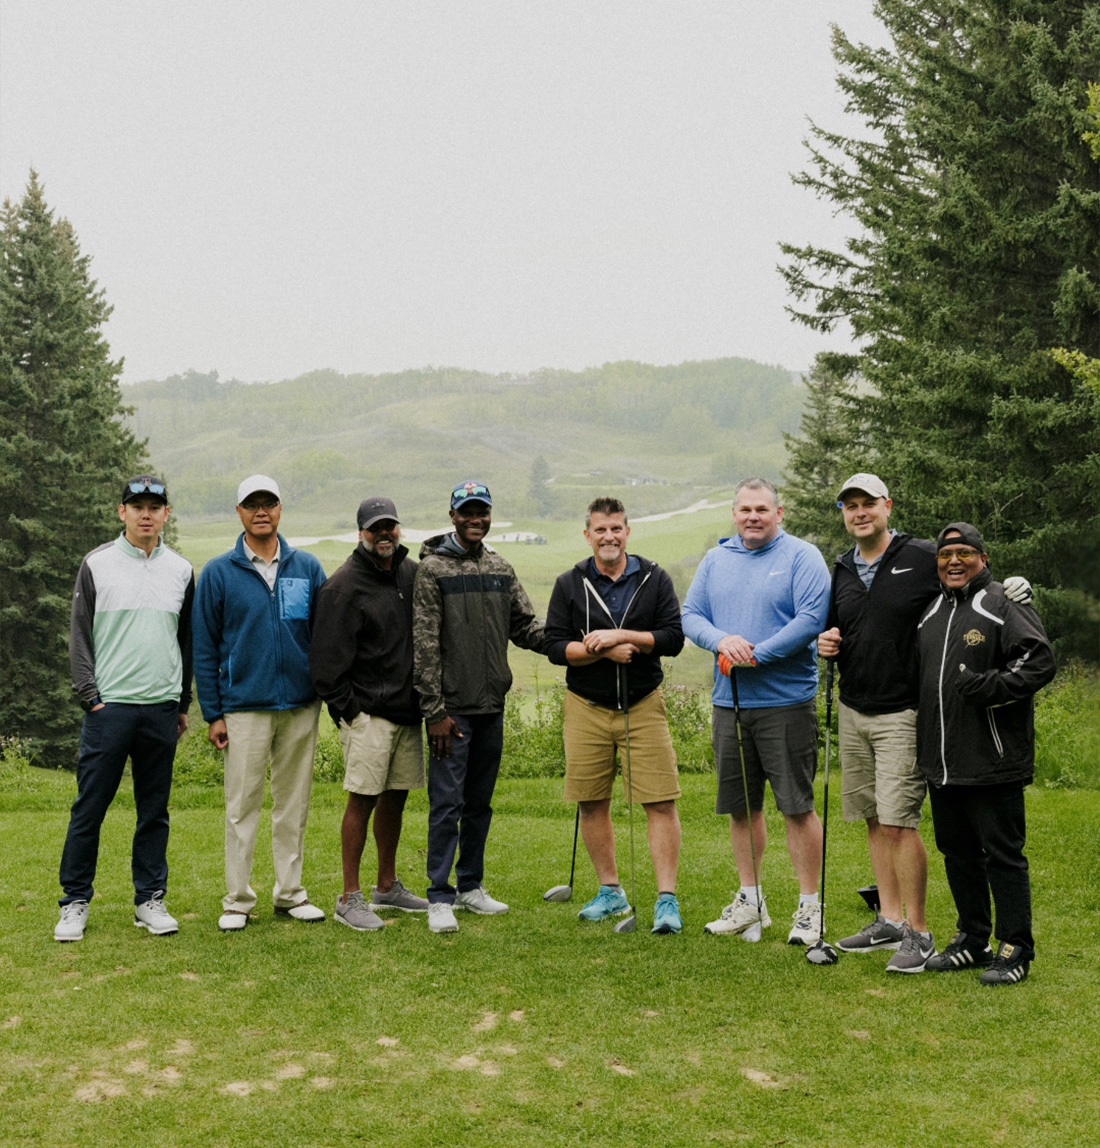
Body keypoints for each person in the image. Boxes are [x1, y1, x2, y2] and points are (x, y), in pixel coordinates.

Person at [819, 473, 1034, 973]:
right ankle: (890, 920)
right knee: (875, 818)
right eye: (850, 505)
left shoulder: (920, 556)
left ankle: (918, 932)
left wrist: (1015, 587)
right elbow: (841, 626)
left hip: (904, 710)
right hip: (854, 707)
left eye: (868, 503)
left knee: (899, 822)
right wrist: (827, 642)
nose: (859, 512)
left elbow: (970, 576)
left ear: (887, 506)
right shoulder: (842, 568)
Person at [682, 477, 830, 944]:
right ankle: (751, 901)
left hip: (786, 702)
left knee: (797, 807)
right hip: (729, 702)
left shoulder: (802, 556)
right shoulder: (716, 559)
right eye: (745, 509)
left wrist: (757, 655)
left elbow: (811, 620)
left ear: (778, 513)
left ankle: (810, 908)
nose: (753, 517)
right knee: (742, 808)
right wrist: (721, 640)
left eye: (762, 509)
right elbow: (691, 615)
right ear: (734, 514)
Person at [55, 475, 194, 942]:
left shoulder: (181, 569)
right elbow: (79, 635)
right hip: (109, 708)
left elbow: (185, 642)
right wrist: (90, 696)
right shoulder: (97, 564)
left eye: (155, 507)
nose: (146, 514)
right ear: (122, 512)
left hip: (160, 708)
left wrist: (181, 702)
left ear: (166, 514)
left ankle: (149, 899)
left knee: (154, 810)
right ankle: (74, 902)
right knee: (89, 808)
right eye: (137, 506)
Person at [916, 523, 1054, 985]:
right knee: (958, 854)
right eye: (946, 554)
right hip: (942, 762)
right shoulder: (931, 611)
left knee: (1002, 855)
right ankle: (973, 939)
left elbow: (1038, 660)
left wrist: (990, 688)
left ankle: (1015, 947)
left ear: (983, 558)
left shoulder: (1002, 602)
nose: (954, 561)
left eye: (965, 552)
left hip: (993, 759)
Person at [192, 475, 328, 930]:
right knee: (242, 806)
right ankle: (237, 900)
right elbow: (204, 647)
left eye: (269, 503)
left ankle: (290, 895)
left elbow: (323, 636)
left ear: (281, 508)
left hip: (300, 706)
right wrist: (213, 713)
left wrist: (324, 692)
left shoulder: (306, 567)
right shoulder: (218, 573)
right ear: (239, 512)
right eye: (252, 504)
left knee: (293, 804)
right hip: (243, 707)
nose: (261, 511)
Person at [545, 498, 686, 934]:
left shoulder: (654, 577)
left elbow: (673, 638)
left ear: (627, 532)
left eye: (616, 529)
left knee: (659, 801)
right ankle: (610, 891)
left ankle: (666, 900)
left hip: (642, 704)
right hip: (585, 706)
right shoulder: (569, 583)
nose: (609, 537)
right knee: (591, 801)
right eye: (601, 530)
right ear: (587, 535)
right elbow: (554, 646)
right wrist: (603, 651)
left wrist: (624, 636)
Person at [413, 481, 546, 934]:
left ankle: (470, 886)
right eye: (467, 512)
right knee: (446, 805)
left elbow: (525, 628)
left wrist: (572, 643)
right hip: (451, 713)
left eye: (482, 512)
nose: (475, 519)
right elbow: (424, 645)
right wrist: (434, 712)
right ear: (452, 516)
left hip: (491, 707)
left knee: (479, 804)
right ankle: (439, 896)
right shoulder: (432, 570)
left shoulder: (500, 568)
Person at [310, 496, 429, 931]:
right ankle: (349, 897)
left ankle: (387, 886)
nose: (384, 534)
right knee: (361, 800)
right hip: (367, 716)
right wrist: (350, 712)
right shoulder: (343, 586)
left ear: (398, 529)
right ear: (361, 532)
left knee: (395, 798)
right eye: (375, 527)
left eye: (390, 526)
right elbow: (324, 665)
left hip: (405, 712)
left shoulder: (410, 573)